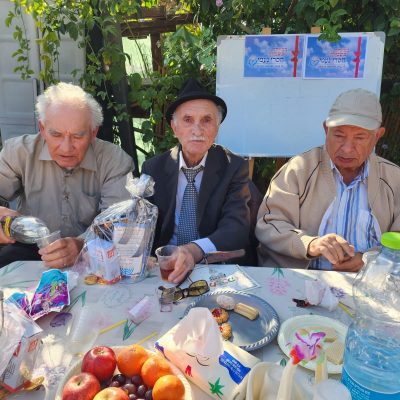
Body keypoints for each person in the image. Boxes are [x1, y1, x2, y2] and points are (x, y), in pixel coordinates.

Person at [256, 88, 400, 272]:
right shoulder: (299, 169)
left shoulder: (394, 179)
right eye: (339, 135)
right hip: (303, 281)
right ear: (326, 129)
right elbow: (269, 223)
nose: (347, 148)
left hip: (370, 282)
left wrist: (368, 260)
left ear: (377, 136)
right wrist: (310, 244)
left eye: (359, 137)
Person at [0, 82, 134, 268]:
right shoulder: (18, 152)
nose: (66, 148)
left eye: (78, 136)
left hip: (94, 254)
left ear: (93, 132)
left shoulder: (114, 160)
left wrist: (82, 244)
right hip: (29, 249)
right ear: (42, 128)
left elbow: (118, 223)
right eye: (55, 134)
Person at [142, 78, 251, 283]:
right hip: (166, 266)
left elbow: (236, 228)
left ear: (217, 128)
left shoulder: (234, 167)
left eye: (206, 120)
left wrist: (194, 250)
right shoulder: (153, 168)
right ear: (174, 128)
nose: (197, 130)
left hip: (212, 266)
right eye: (188, 120)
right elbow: (145, 225)